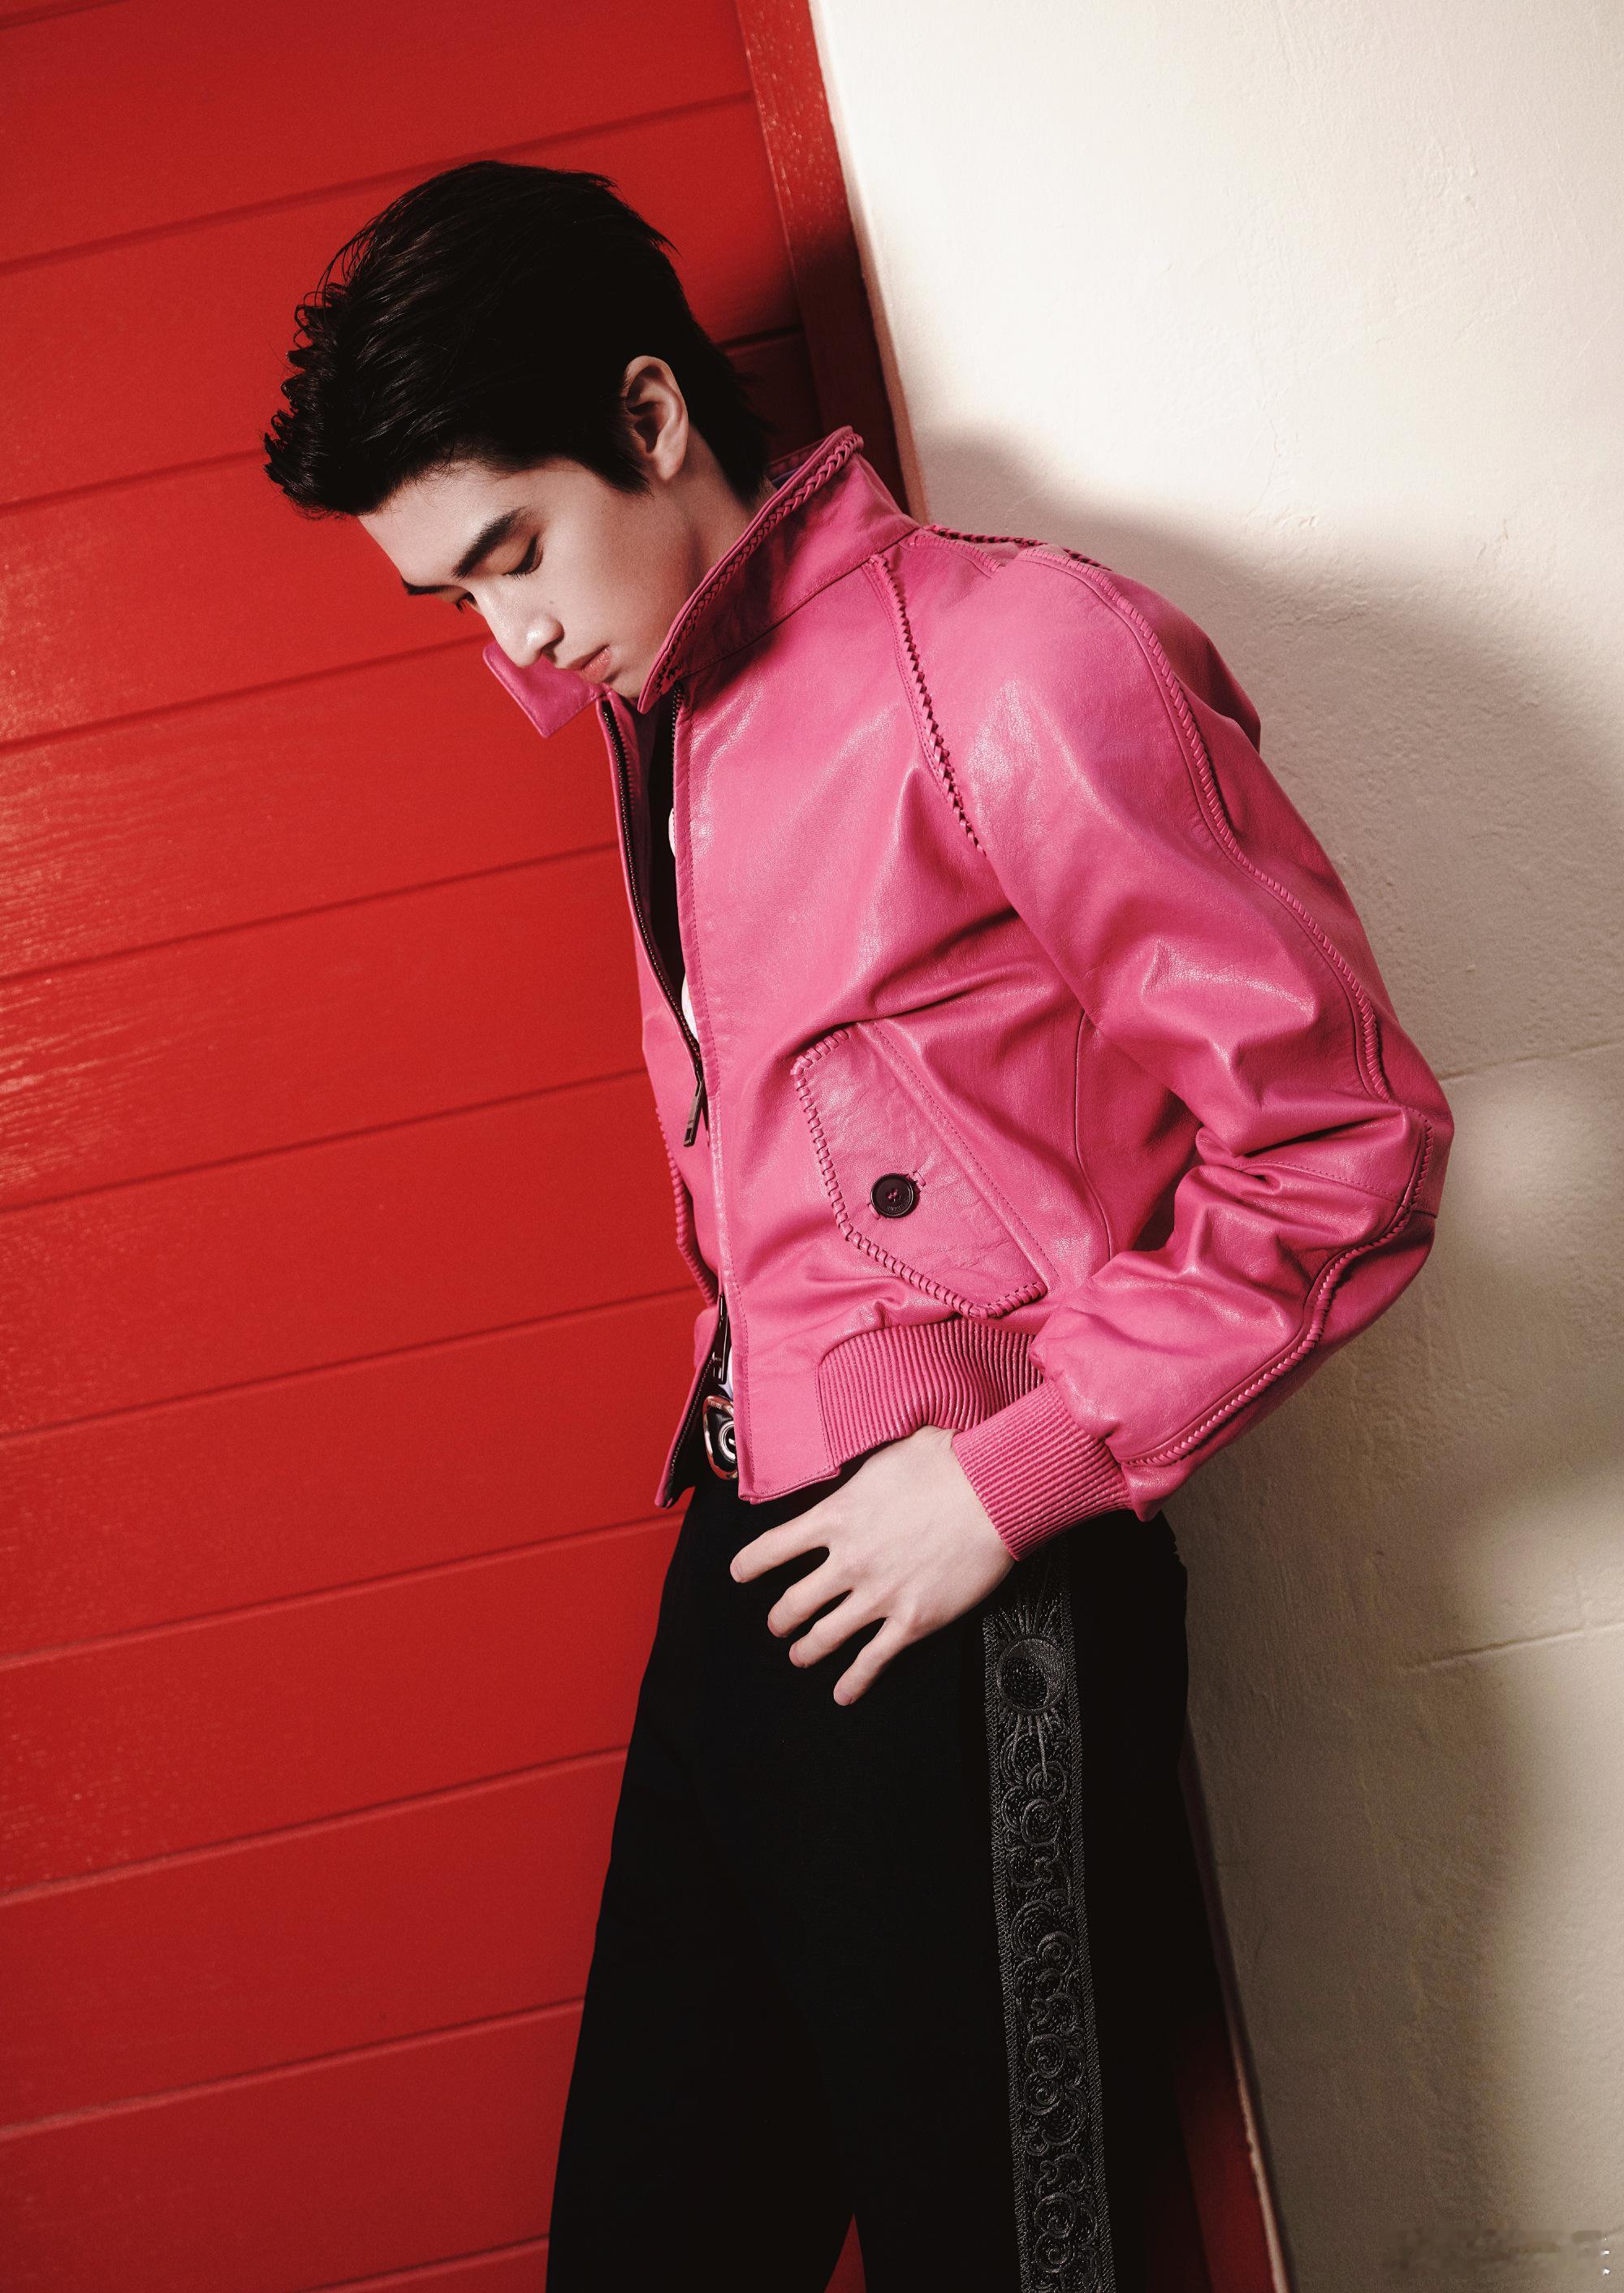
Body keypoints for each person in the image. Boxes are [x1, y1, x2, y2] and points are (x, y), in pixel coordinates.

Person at [264, 160, 1453, 2292]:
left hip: (974, 1579)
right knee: (646, 2244)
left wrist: (1016, 1475)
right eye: (453, 600)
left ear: (650, 417)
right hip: (749, 1546)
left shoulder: (1022, 660)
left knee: (1009, 2257)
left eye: (513, 553)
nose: (510, 639)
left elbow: (1348, 1144)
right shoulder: (663, 709)